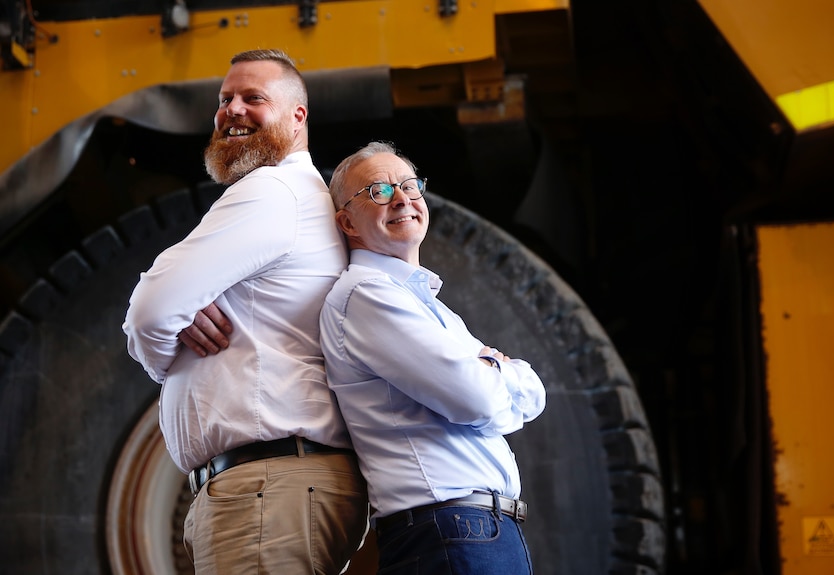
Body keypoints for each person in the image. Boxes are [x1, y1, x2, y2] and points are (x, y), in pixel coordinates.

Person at [122, 49, 368, 574]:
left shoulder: (273, 190)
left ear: (297, 116)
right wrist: (179, 311)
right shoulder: (306, 198)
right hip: (278, 488)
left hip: (266, 489)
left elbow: (149, 312)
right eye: (224, 99)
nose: (231, 109)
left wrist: (167, 354)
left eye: (253, 98)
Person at [319, 140, 547, 574]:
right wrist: (499, 371)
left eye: (410, 185)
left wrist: (493, 374)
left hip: (474, 530)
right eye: (380, 191)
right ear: (347, 221)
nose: (403, 199)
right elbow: (477, 401)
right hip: (452, 532)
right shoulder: (368, 294)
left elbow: (534, 393)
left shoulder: (424, 303)